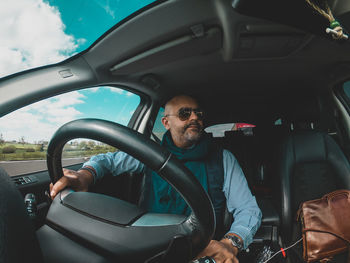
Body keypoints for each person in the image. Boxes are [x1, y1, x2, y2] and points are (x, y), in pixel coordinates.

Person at [50, 95, 262, 263]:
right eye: (185, 113)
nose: (194, 118)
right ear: (166, 122)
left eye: (198, 113)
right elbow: (109, 161)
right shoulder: (151, 153)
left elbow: (248, 209)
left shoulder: (223, 158)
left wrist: (230, 243)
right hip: (149, 246)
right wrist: (84, 175)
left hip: (203, 249)